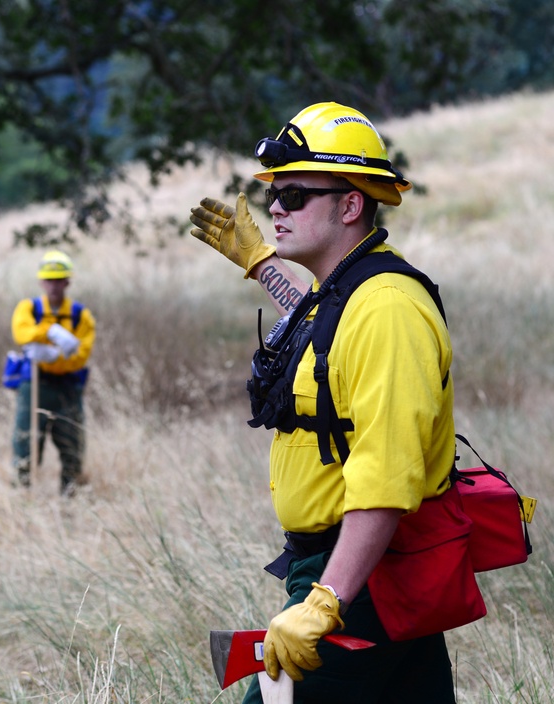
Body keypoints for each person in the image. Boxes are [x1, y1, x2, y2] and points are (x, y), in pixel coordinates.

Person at [190, 103, 459, 702]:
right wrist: (262, 266)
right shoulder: (345, 291)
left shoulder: (388, 308)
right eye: (272, 197)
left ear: (350, 203)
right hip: (362, 573)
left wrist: (327, 600)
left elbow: (385, 479)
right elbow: (317, 330)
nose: (275, 210)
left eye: (294, 195)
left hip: (364, 578)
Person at [10, 250, 96, 496]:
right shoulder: (29, 308)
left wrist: (56, 356)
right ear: (41, 281)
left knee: (73, 444)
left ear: (67, 282)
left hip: (68, 386)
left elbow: (81, 355)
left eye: (59, 280)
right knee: (26, 443)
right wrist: (51, 332)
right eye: (49, 280)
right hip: (36, 383)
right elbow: (21, 333)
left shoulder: (81, 316)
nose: (54, 286)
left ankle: (71, 499)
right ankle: (22, 498)